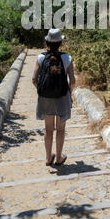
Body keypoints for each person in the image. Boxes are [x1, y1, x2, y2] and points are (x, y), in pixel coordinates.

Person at [32, 28, 76, 166]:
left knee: (48, 129)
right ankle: (58, 158)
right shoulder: (67, 58)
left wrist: (43, 90)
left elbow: (34, 79)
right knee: (61, 129)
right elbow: (73, 80)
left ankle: (48, 158)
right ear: (60, 43)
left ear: (47, 42)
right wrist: (68, 92)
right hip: (62, 97)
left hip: (45, 98)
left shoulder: (40, 58)